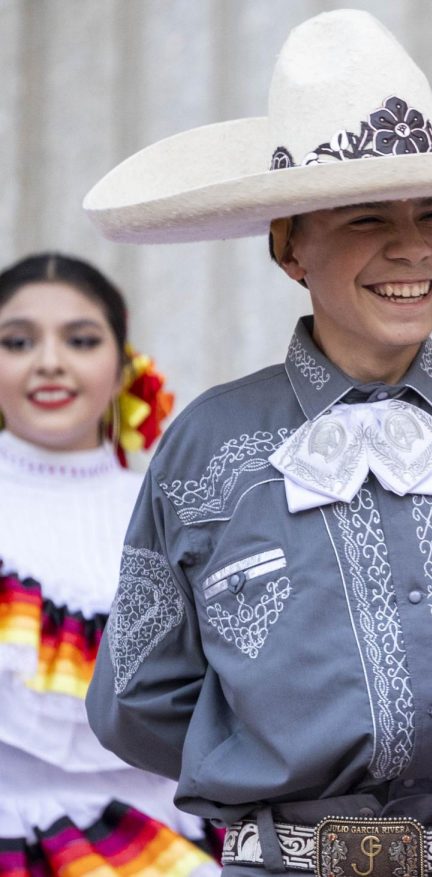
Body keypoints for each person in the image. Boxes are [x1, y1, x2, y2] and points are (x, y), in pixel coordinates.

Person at [83, 10, 432, 877]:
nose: (411, 247)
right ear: (288, 246)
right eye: (363, 218)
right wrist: (279, 758)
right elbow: (138, 697)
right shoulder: (211, 451)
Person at [0, 252, 216, 876]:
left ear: (123, 364)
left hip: (162, 839)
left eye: (81, 339)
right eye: (17, 341)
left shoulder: (177, 510)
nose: (49, 362)